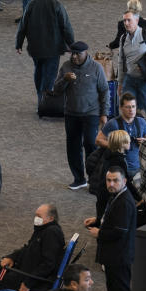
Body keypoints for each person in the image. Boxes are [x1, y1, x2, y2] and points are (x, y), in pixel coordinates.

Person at [85, 167, 138, 291]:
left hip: (119, 256)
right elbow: (113, 220)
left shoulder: (124, 202)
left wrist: (100, 232)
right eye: (108, 180)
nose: (111, 184)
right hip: (114, 255)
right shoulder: (117, 197)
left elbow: (119, 231)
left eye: (115, 180)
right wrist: (98, 220)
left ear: (124, 181)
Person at [54, 41, 109, 190]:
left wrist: (104, 113)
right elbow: (56, 90)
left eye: (77, 53)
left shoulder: (96, 68)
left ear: (86, 53)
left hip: (91, 113)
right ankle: (79, 179)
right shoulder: (66, 67)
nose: (74, 56)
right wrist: (65, 80)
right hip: (71, 113)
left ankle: (93, 179)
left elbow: (104, 91)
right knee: (72, 146)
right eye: (72, 53)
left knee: (90, 144)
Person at [15, 0, 75, 105]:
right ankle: (44, 102)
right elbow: (66, 27)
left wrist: (18, 43)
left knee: (39, 70)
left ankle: (40, 96)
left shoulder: (31, 4)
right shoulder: (57, 5)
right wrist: (72, 45)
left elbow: (22, 26)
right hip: (53, 48)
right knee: (50, 75)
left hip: (35, 47)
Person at [111, 8, 146, 118]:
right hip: (129, 79)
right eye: (124, 21)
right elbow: (121, 62)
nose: (126, 23)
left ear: (137, 20)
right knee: (127, 109)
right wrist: (120, 83)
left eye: (129, 20)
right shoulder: (123, 38)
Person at [97, 92, 146, 179]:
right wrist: (116, 145)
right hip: (119, 169)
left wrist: (145, 141)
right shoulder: (113, 123)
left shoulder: (142, 122)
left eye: (133, 106)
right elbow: (98, 140)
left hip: (138, 168)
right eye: (128, 107)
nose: (131, 110)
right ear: (121, 108)